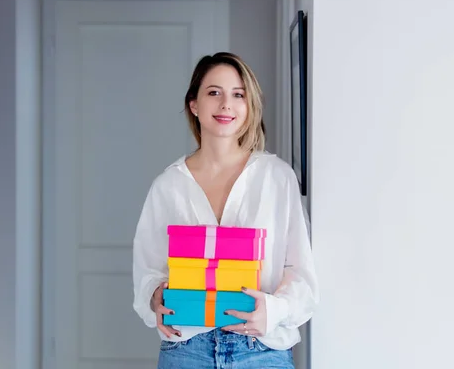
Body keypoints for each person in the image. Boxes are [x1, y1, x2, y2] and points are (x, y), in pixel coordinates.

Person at [132, 52, 319, 368]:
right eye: (214, 92)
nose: (226, 105)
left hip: (260, 350)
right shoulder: (168, 185)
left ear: (249, 106)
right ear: (194, 104)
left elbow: (301, 273)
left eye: (238, 95)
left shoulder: (277, 177)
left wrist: (273, 311)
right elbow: (148, 271)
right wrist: (154, 297)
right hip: (186, 349)